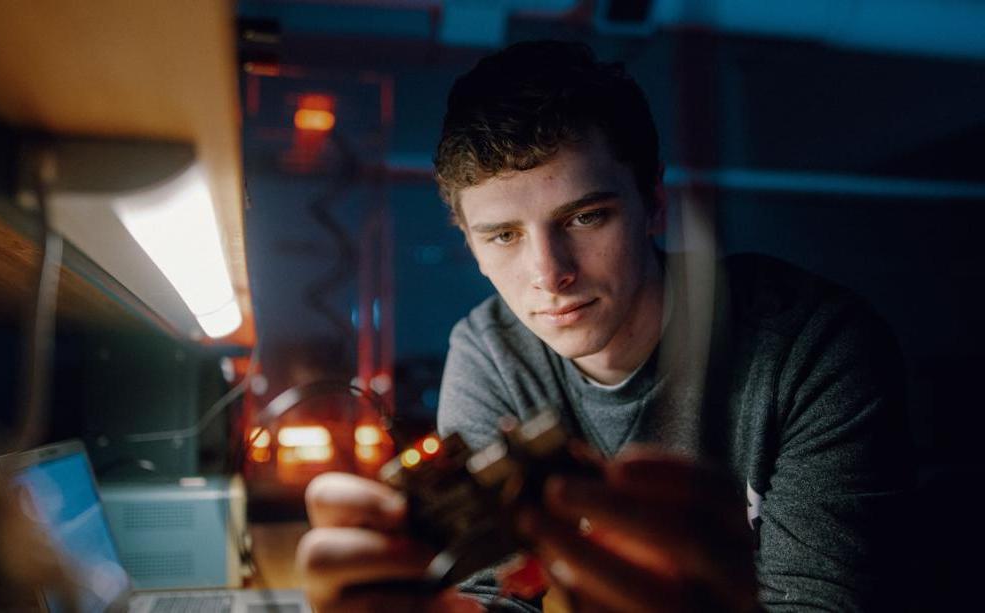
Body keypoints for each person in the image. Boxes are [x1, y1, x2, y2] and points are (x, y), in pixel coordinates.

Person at [296, 40, 914, 612]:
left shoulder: (813, 349)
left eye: (586, 217)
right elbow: (497, 598)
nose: (549, 273)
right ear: (474, 249)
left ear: (654, 203)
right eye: (505, 236)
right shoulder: (490, 354)